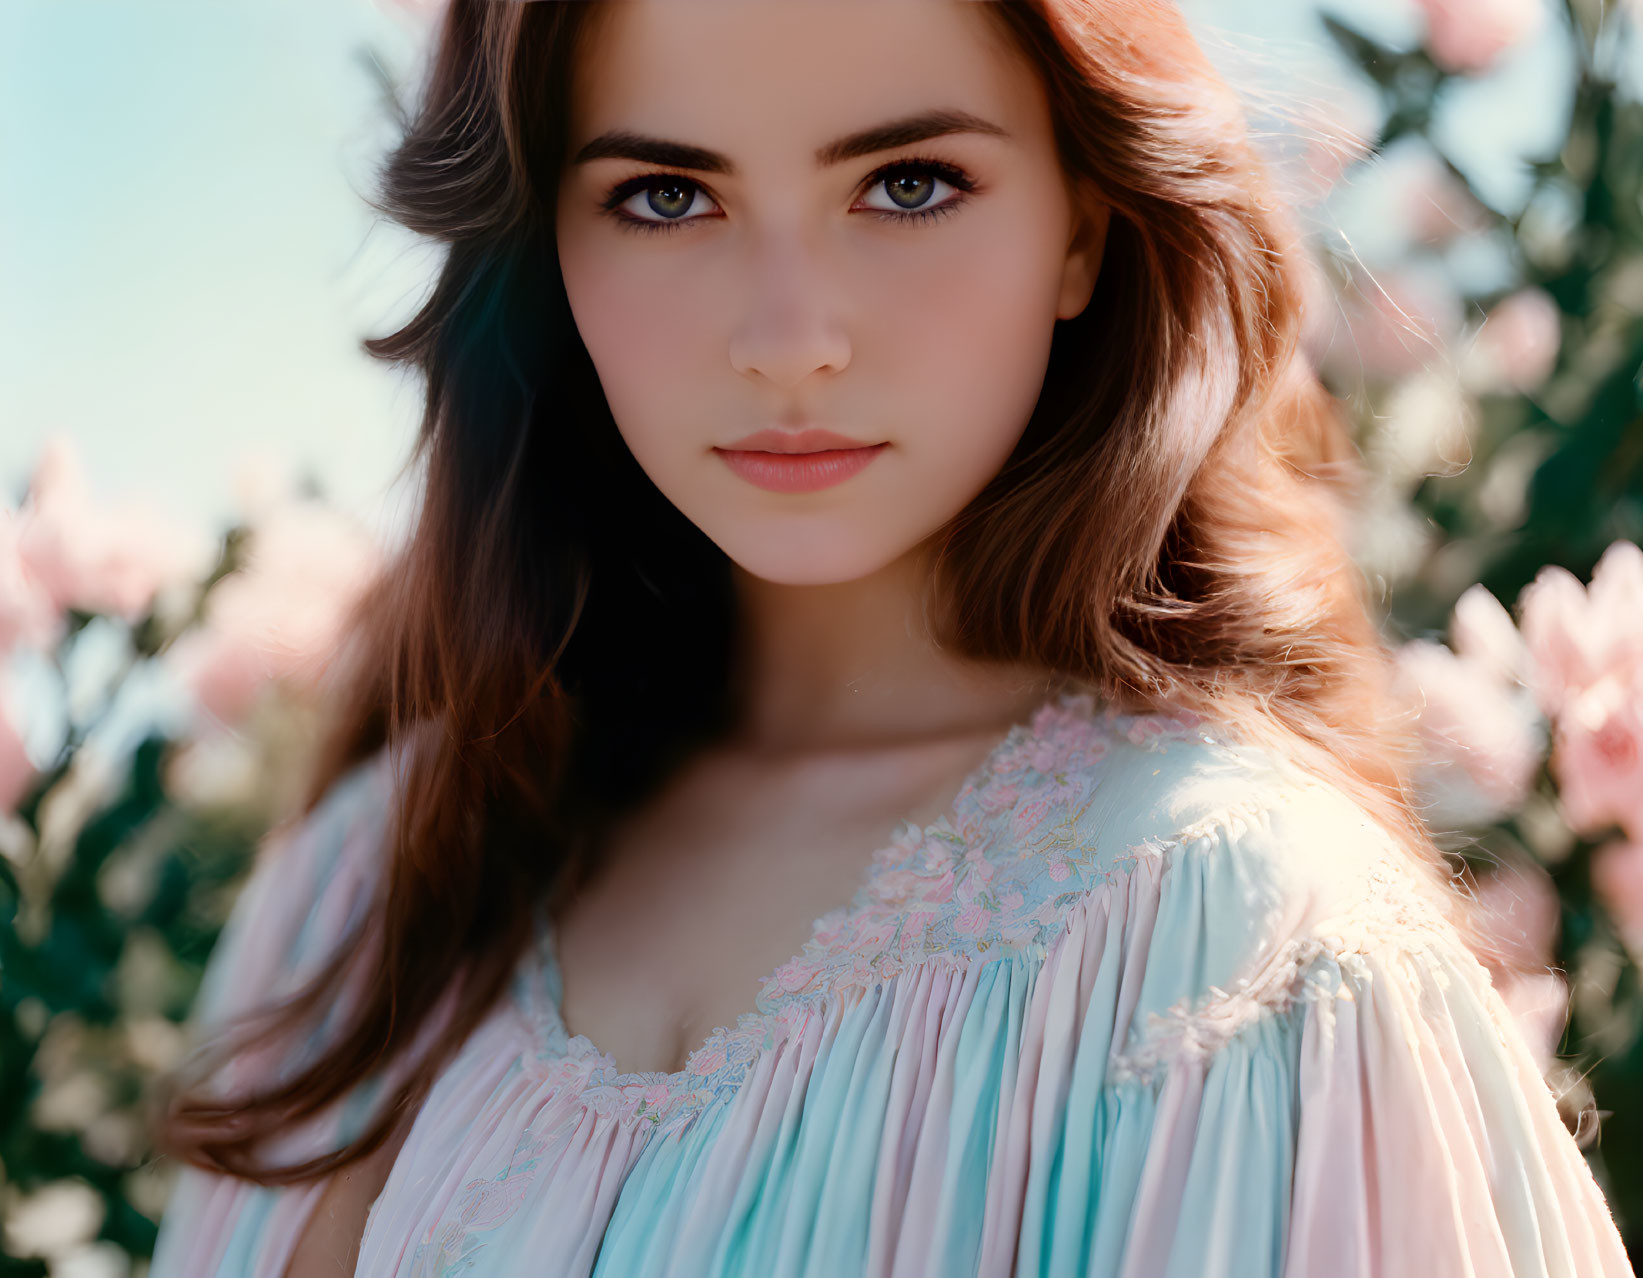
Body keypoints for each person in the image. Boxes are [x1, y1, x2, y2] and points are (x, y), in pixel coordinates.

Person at [146, 0, 1634, 1274]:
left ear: (1084, 226)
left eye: (909, 183)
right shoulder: (371, 881)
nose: (791, 335)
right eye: (667, 195)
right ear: (548, 255)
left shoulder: (1235, 943)